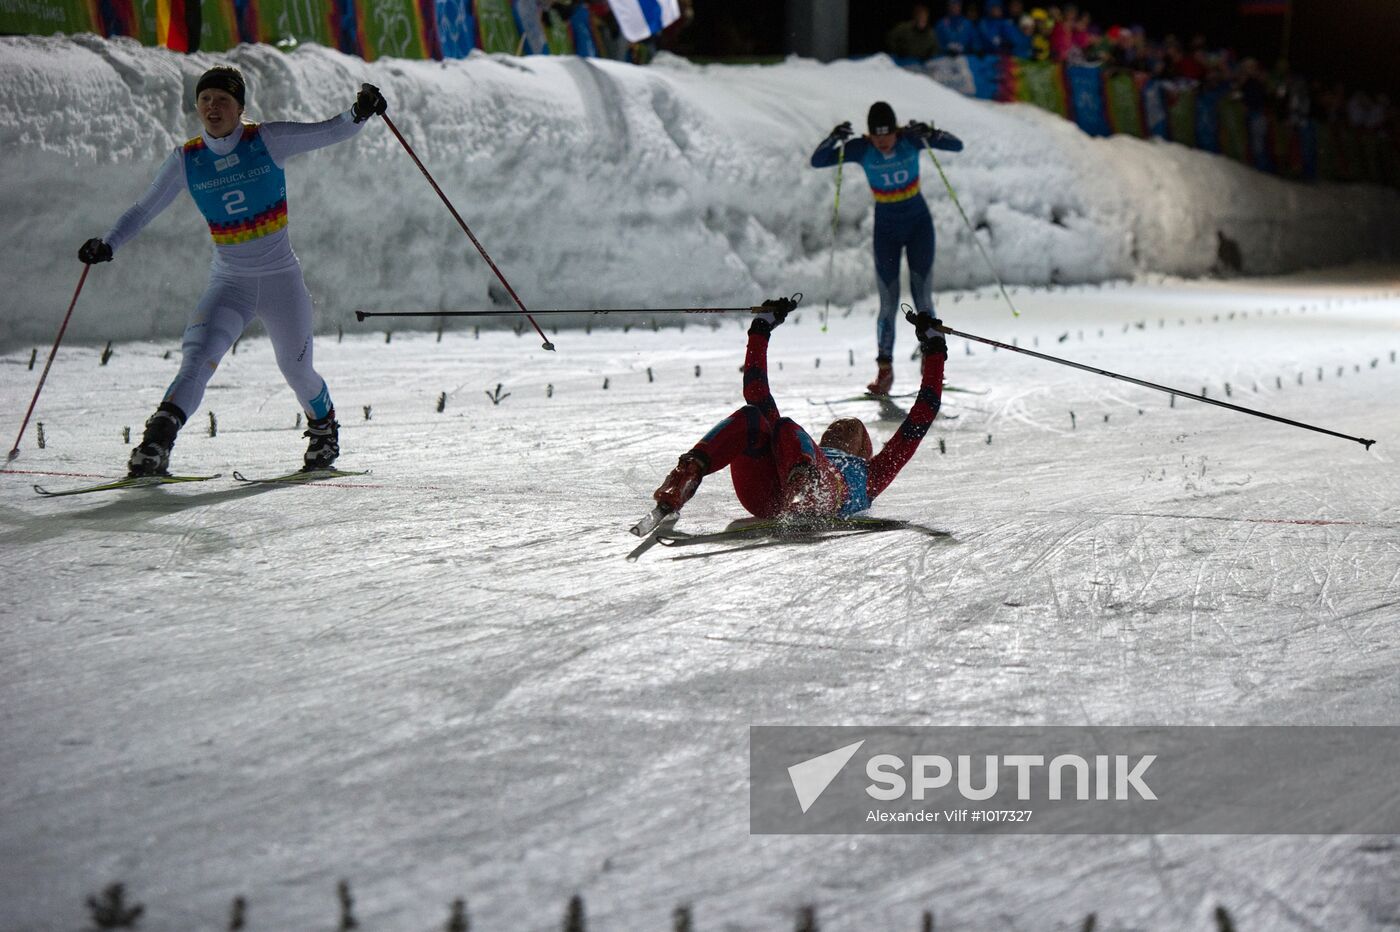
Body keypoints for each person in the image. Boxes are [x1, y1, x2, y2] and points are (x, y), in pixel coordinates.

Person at [78, 66, 387, 477]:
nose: (213, 107)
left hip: (281, 282)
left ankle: (324, 426)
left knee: (296, 370)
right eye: (205, 99)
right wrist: (109, 243)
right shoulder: (187, 159)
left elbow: (328, 131)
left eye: (223, 100)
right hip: (230, 284)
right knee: (197, 360)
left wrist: (358, 112)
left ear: (240, 107)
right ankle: (156, 443)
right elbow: (144, 208)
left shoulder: (266, 140)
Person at [649, 298, 948, 521]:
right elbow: (756, 392)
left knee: (785, 426)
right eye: (837, 426)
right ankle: (685, 475)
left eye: (851, 428)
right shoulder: (796, 447)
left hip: (823, 494)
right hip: (771, 491)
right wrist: (761, 327)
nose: (839, 427)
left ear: (863, 451)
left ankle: (805, 492)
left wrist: (934, 350)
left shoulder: (872, 475)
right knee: (754, 417)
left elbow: (922, 416)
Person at [810, 101, 963, 395]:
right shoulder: (860, 148)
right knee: (888, 303)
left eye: (887, 134)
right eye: (876, 135)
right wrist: (834, 138)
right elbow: (818, 161)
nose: (882, 141)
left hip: (919, 226)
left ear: (897, 130)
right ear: (869, 135)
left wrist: (931, 133)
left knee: (923, 300)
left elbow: (957, 146)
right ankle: (885, 372)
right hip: (887, 230)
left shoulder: (911, 139)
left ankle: (931, 368)